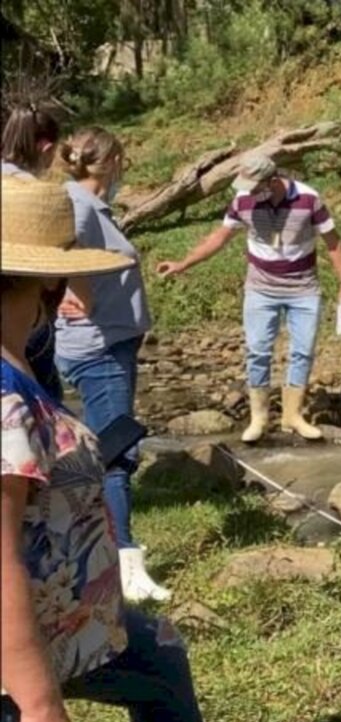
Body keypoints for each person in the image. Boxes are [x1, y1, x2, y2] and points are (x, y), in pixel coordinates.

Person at [0, 176, 301, 722]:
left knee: (161, 657)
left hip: (77, 622)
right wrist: (39, 706)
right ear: (48, 283)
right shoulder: (6, 401)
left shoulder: (16, 366)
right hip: (25, 647)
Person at [157, 154, 341, 443]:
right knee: (258, 351)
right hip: (260, 289)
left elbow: (333, 242)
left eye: (253, 186)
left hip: (303, 289)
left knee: (302, 351)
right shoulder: (242, 201)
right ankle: (259, 418)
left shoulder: (308, 199)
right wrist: (183, 263)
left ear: (272, 181)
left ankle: (293, 415)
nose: (247, 192)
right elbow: (219, 237)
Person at [51, 126, 170, 603]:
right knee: (116, 454)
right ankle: (124, 568)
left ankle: (100, 554)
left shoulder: (91, 205)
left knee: (108, 449)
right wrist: (76, 294)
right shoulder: (79, 205)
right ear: (112, 159)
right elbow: (66, 252)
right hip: (99, 348)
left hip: (108, 343)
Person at [1, 99, 86, 402]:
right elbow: (57, 247)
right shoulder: (37, 192)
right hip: (27, 314)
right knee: (38, 398)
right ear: (47, 149)